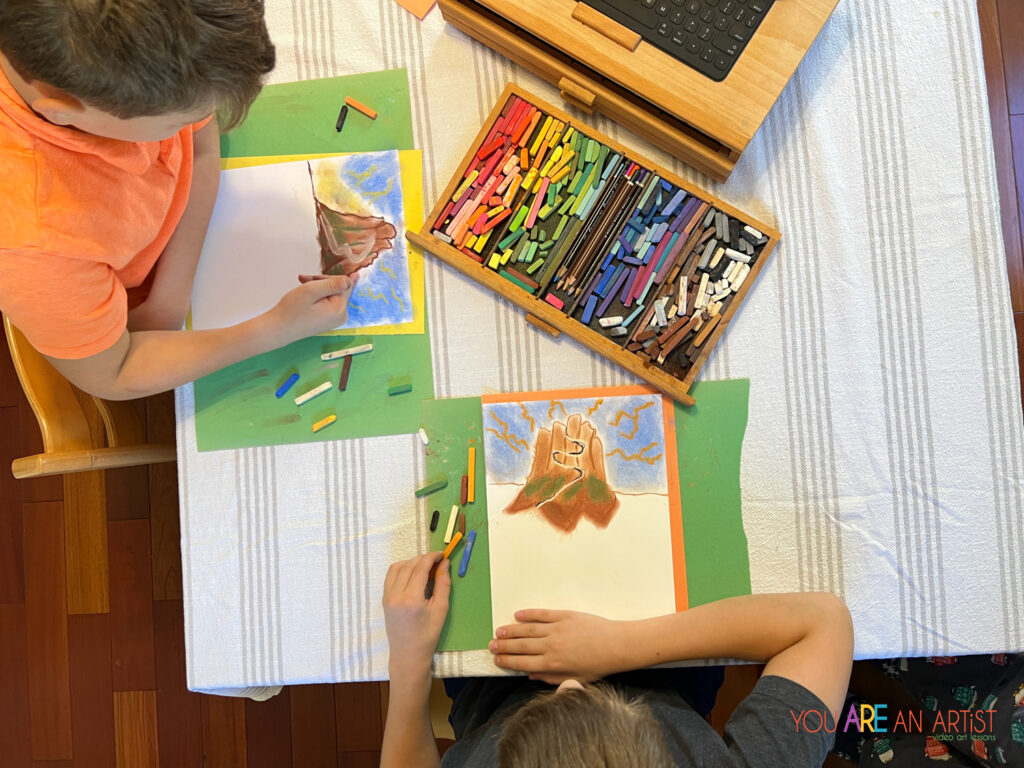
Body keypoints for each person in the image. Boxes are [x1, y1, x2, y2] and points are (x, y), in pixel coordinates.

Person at [0, 0, 357, 401]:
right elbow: (114, 374)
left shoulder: (136, 77)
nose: (198, 123)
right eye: (176, 123)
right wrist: (273, 328)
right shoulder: (35, 243)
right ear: (62, 110)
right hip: (132, 335)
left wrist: (171, 296)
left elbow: (202, 147)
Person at [381, 551, 855, 767]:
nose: (568, 685)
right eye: (589, 698)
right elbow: (823, 623)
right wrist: (619, 646)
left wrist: (407, 659)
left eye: (562, 698)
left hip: (495, 684)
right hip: (663, 668)